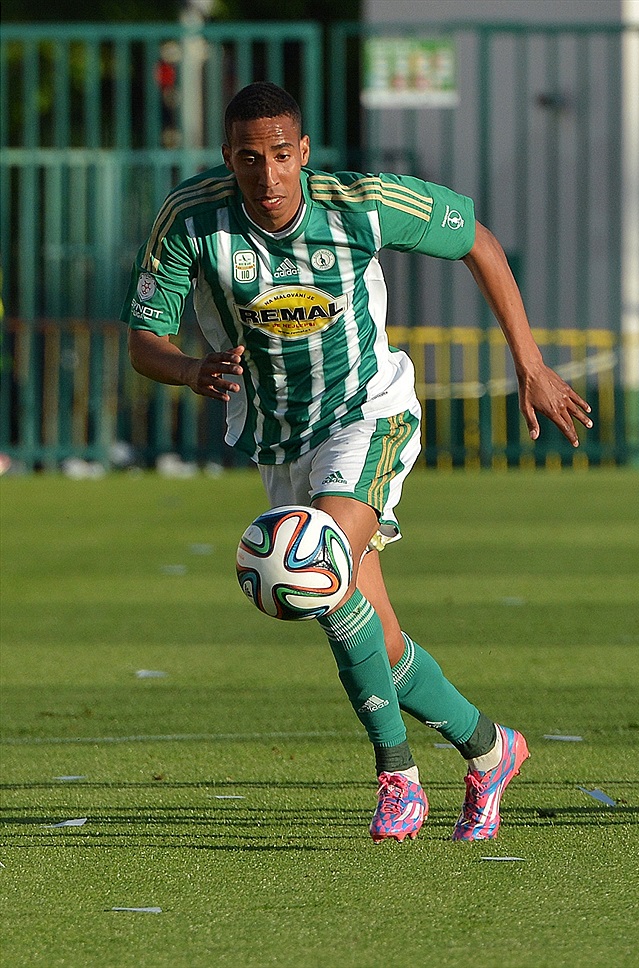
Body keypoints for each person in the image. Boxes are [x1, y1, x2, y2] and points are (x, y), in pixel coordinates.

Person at [121, 81, 592, 843]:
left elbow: (475, 237)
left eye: (280, 156)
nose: (267, 177)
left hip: (369, 414)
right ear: (227, 159)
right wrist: (189, 370)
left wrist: (530, 362)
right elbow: (144, 340)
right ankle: (490, 748)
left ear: (303, 153)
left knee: (315, 560)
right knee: (374, 631)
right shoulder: (191, 221)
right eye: (249, 159)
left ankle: (398, 778)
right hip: (280, 440)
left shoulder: (361, 202)